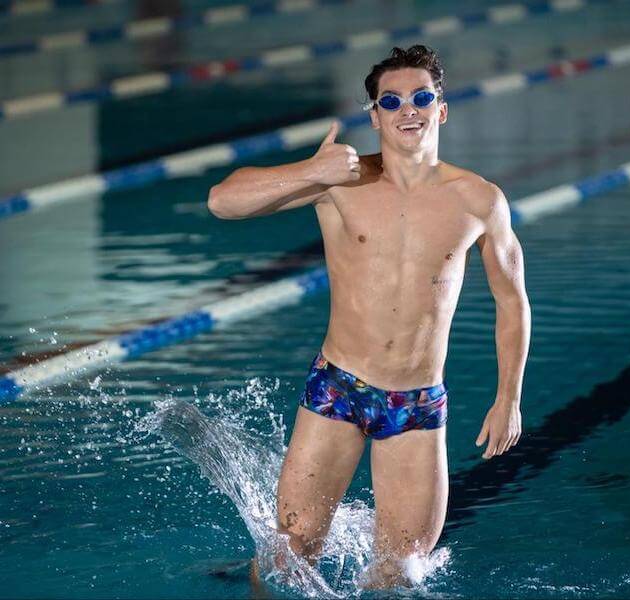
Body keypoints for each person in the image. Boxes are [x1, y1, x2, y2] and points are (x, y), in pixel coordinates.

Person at [208, 44, 531, 590]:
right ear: (375, 114)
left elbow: (512, 301)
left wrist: (509, 398)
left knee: (398, 573)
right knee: (289, 552)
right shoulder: (341, 183)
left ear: (441, 109)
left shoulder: (478, 200)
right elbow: (222, 201)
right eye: (393, 100)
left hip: (416, 404)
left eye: (421, 97)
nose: (409, 110)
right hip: (338, 387)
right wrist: (312, 168)